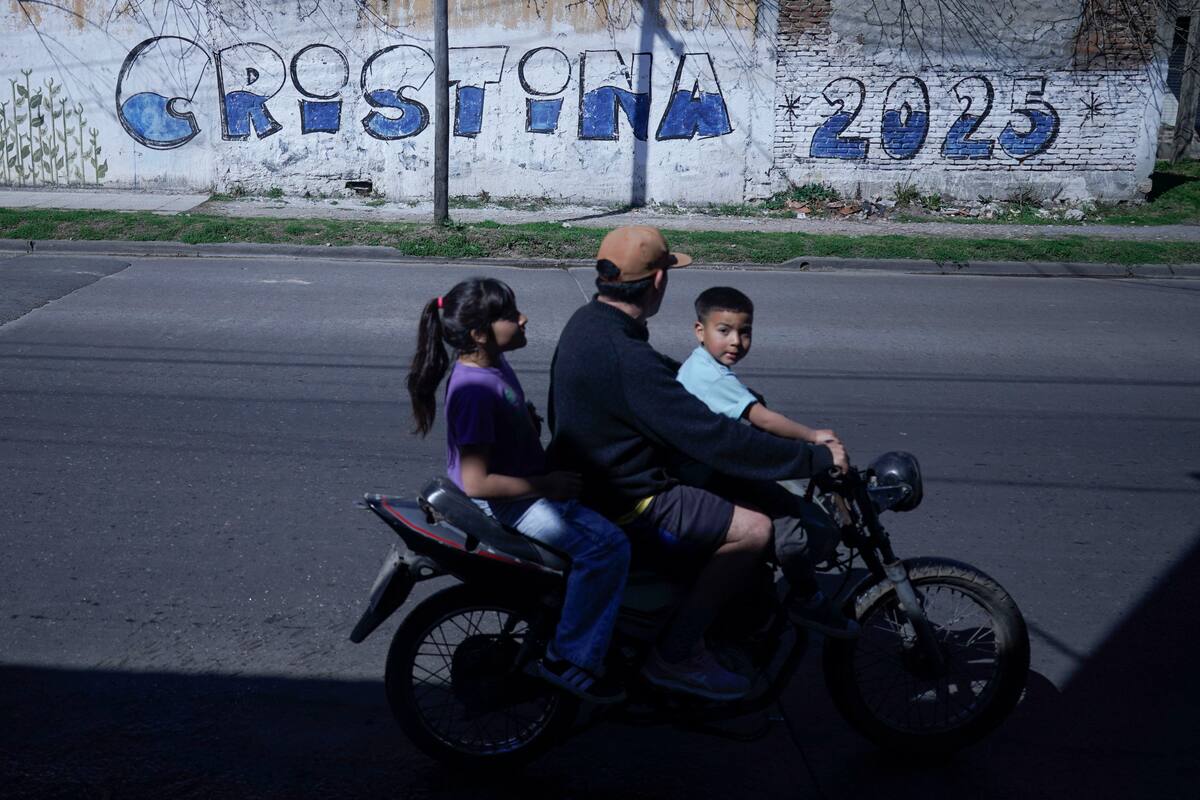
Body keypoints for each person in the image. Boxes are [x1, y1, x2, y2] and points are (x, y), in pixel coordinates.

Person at [547, 225, 850, 701]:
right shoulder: (625, 355)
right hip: (632, 495)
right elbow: (716, 440)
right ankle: (677, 654)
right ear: (658, 282)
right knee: (754, 529)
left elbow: (660, 380)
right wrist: (810, 457)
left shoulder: (589, 322)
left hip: (598, 471)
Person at [406, 277, 630, 704]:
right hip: (510, 504)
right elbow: (476, 482)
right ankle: (571, 659)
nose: (522, 318)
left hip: (525, 484)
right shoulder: (474, 389)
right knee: (607, 548)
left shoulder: (491, 364)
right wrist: (545, 484)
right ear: (478, 333)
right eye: (510, 315)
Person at [676, 286, 858, 638]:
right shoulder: (710, 375)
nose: (736, 341)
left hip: (704, 464)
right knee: (787, 514)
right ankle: (806, 596)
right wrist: (813, 436)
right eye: (724, 330)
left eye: (745, 332)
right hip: (705, 473)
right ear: (700, 331)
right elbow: (761, 418)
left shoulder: (703, 364)